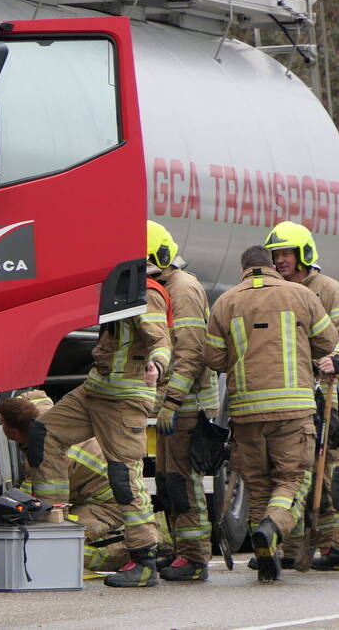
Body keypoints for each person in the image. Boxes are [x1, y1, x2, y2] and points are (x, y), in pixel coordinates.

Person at [25, 277, 170, 588]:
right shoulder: (113, 286)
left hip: (125, 399)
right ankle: (53, 531)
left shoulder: (145, 292)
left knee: (123, 475)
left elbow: (161, 340)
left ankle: (145, 560)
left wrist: (157, 366)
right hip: (95, 390)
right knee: (42, 435)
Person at [206, 245, 337, 582]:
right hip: (293, 409)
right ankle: (272, 527)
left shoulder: (226, 302)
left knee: (259, 483)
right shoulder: (302, 295)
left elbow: (215, 359)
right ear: (272, 267)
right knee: (293, 478)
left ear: (243, 270)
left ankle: (269, 556)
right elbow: (327, 342)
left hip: (246, 411)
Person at [146, 221, 219, 582]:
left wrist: (172, 401)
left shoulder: (183, 289)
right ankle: (180, 550)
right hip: (170, 403)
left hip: (186, 404)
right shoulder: (163, 286)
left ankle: (194, 558)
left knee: (181, 481)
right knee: (166, 480)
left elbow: (190, 351)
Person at [265, 221, 339, 571]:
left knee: (323, 475)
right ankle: (291, 548)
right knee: (293, 471)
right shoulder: (277, 291)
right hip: (293, 396)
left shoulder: (328, 290)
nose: (280, 261)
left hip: (327, 395)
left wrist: (335, 360)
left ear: (304, 255)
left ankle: (332, 544)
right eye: (276, 254)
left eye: (286, 254)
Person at [0, 390, 129, 572]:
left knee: (63, 540)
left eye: (3, 425)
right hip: (97, 491)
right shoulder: (45, 415)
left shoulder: (48, 459)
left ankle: (123, 555)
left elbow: (39, 502)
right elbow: (35, 395)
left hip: (109, 505)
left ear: (14, 432)